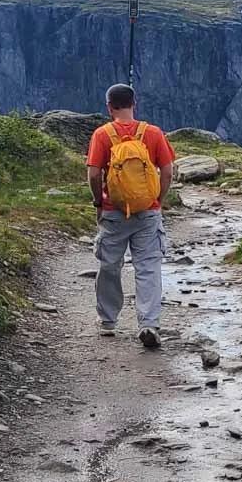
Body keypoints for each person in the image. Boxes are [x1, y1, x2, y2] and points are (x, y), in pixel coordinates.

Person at [86, 84, 176, 349]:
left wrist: (98, 202)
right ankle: (148, 323)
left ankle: (108, 321)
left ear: (109, 106)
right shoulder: (153, 133)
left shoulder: (102, 135)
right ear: (134, 103)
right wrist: (159, 199)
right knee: (148, 267)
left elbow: (93, 174)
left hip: (114, 212)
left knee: (109, 265)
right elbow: (168, 171)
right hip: (148, 212)